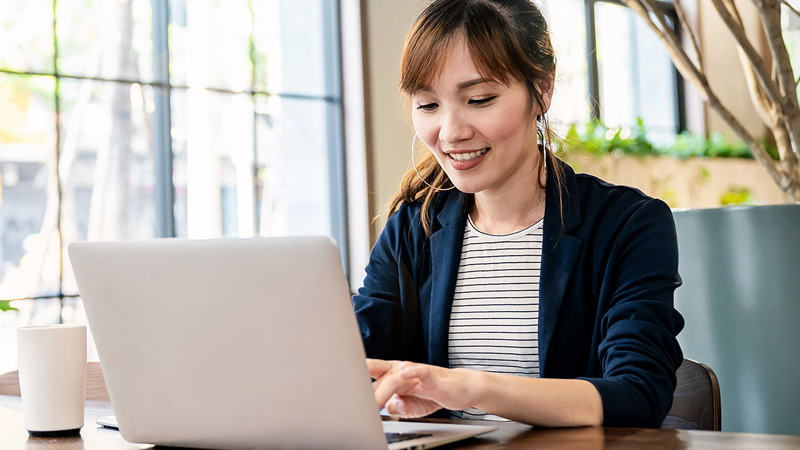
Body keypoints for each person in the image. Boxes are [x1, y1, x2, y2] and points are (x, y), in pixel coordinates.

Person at [353, 0, 684, 428]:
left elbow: (638, 394)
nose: (451, 132)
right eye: (428, 105)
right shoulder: (412, 229)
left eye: (479, 98)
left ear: (542, 90)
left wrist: (470, 387)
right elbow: (353, 357)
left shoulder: (628, 224)